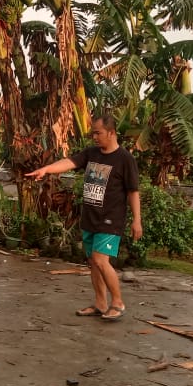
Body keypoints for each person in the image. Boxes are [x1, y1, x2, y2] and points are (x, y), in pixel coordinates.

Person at [25, 115, 141, 321]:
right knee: (93, 262)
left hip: (111, 219)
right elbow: (68, 162)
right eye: (93, 133)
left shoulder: (125, 159)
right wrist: (46, 169)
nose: (94, 137)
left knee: (100, 259)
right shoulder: (91, 153)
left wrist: (136, 220)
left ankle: (118, 302)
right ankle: (100, 303)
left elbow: (133, 192)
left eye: (98, 133)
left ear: (112, 132)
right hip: (90, 217)